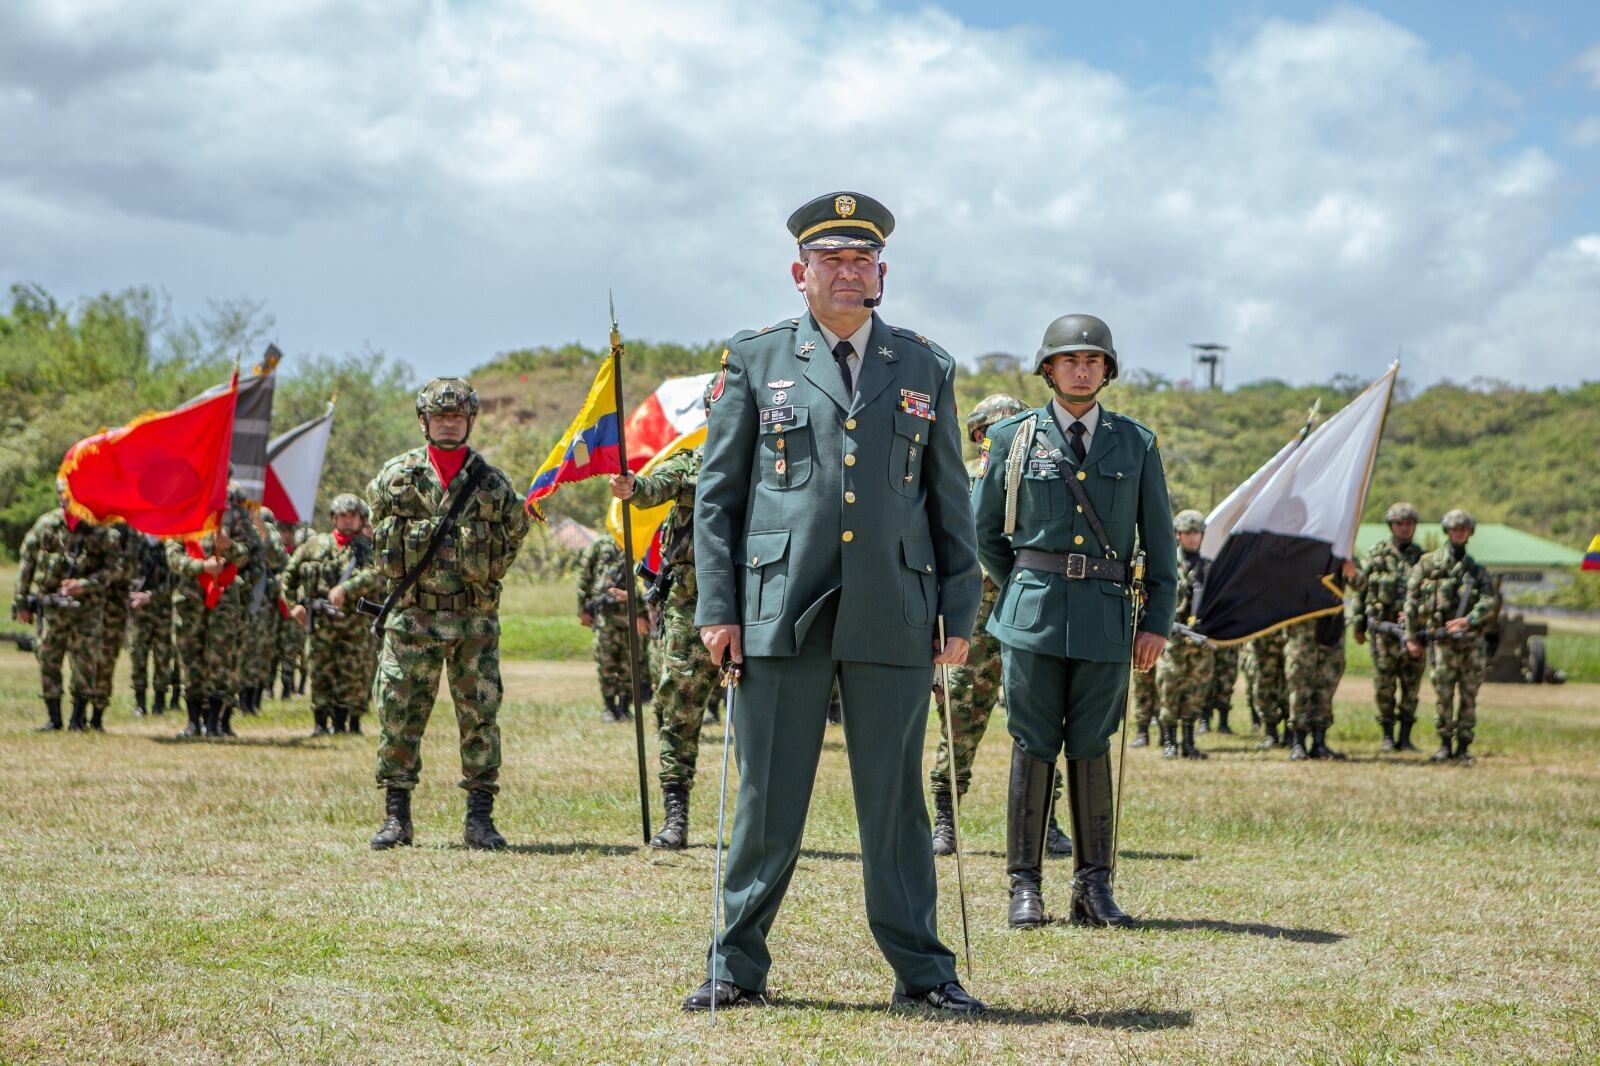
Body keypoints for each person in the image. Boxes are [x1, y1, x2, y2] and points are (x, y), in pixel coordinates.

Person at [686, 191, 984, 1015]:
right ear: (800, 273)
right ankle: (735, 967)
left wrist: (959, 610)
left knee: (895, 807)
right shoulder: (756, 360)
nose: (848, 272)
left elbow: (947, 498)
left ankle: (925, 974)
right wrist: (718, 607)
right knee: (767, 802)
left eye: (862, 260)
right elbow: (717, 497)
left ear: (882, 272)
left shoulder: (923, 365)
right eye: (832, 259)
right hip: (780, 606)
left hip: (895, 606)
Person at [973, 313, 1177, 931]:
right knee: (1032, 743)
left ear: (1107, 371)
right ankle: (1025, 887)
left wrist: (1156, 622)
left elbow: (1160, 544)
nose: (1082, 370)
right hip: (1031, 617)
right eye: (1070, 360)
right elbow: (983, 533)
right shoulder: (1012, 439)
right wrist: (1024, 586)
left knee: (1092, 745)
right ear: (1049, 369)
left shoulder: (1135, 444)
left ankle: (1093, 887)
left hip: (1107, 620)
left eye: (1093, 361)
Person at [365, 378, 531, 850]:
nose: (449, 423)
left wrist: (484, 576)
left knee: (480, 717)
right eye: (440, 416)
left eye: (456, 416)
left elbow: (515, 533)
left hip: (473, 624)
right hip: (412, 620)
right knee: (399, 716)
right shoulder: (394, 477)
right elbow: (377, 530)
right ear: (424, 421)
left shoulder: (493, 483)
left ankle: (480, 819)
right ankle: (397, 817)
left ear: (470, 420)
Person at [929, 393, 1069, 857]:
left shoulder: (1039, 478)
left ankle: (1045, 821)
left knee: (1039, 720)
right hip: (973, 621)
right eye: (993, 430)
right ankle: (945, 819)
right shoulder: (962, 479)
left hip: (1027, 614)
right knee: (959, 719)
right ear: (978, 435)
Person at [609, 387, 721, 850]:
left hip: (759, 607)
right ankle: (676, 813)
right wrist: (632, 488)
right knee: (679, 708)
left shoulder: (775, 464)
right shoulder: (692, 462)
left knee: (768, 715)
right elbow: (655, 486)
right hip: (691, 606)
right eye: (721, 406)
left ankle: (764, 821)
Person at [12, 485, 115, 731]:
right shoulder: (46, 525)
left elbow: (113, 569)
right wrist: (22, 601)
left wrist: (84, 584)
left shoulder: (98, 528)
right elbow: (27, 563)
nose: (66, 498)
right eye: (64, 494)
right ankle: (54, 718)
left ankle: (78, 718)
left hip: (86, 608)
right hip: (52, 607)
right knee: (48, 658)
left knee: (85, 661)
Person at [285, 494, 382, 735]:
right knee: (320, 671)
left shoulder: (368, 548)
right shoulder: (314, 545)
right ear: (334, 518)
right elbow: (288, 577)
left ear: (361, 519)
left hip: (354, 622)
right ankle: (320, 722)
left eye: (352, 516)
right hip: (321, 623)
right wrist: (294, 605)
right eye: (342, 515)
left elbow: (373, 574)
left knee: (352, 671)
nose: (347, 520)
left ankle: (344, 722)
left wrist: (345, 588)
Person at [1405, 509, 1495, 763]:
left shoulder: (1476, 570)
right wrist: (1411, 636)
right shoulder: (1428, 564)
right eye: (1455, 529)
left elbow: (1490, 600)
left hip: (1470, 642)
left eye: (1464, 529)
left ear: (1470, 533)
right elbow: (1411, 601)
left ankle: (1463, 746)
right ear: (1447, 531)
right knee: (1443, 694)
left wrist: (1469, 620)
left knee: (1468, 694)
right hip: (1442, 641)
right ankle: (1444, 744)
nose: (1459, 533)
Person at [1350, 502, 1426, 752]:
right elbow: (1361, 590)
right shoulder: (1376, 555)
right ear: (1391, 526)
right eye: (1399, 524)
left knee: (1411, 686)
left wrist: (1420, 616)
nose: (1404, 528)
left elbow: (1431, 595)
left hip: (1413, 632)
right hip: (1383, 632)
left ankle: (1405, 737)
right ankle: (1387, 736)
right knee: (1384, 685)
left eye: (1409, 524)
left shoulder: (1423, 558)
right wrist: (1358, 624)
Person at [1284, 556, 1359, 761]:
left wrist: (1352, 572)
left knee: (1326, 685)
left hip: (1332, 628)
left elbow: (1360, 584)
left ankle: (1319, 743)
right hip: (1303, 631)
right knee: (1300, 684)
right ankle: (1298, 743)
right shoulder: (1299, 551)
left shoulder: (1342, 552)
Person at [1155, 510, 1213, 760]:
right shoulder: (1167, 564)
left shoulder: (1208, 567)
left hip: (1198, 640)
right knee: (1169, 688)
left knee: (1195, 690)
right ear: (1178, 534)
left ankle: (1188, 743)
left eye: (1197, 532)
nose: (1193, 537)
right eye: (1188, 532)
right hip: (1173, 639)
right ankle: (1169, 742)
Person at [576, 536, 647, 722]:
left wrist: (634, 599)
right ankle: (609, 707)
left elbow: (648, 582)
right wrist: (582, 608)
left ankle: (624, 707)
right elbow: (585, 576)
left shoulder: (640, 543)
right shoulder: (600, 545)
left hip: (632, 616)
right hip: (605, 617)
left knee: (630, 663)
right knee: (606, 662)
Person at [127, 531, 175, 716]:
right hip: (139, 611)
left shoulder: (169, 544)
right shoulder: (135, 543)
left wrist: (150, 596)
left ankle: (159, 703)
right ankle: (140, 703)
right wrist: (134, 594)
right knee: (138, 655)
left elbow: (174, 580)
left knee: (163, 656)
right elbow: (127, 572)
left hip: (163, 610)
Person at [1242, 629, 1290, 748]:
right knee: (1263, 682)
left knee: (1291, 681)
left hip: (1290, 632)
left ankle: (1290, 733)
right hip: (1264, 633)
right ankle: (1270, 733)